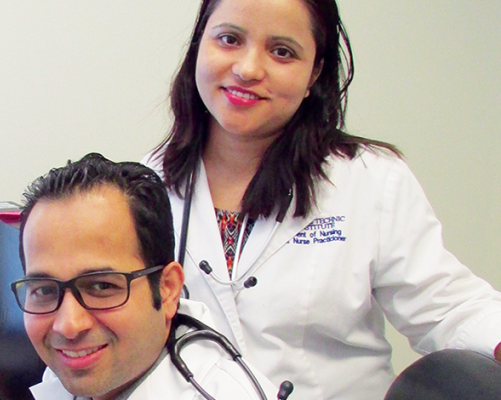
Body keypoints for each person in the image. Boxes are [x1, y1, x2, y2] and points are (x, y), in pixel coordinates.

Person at [142, 0, 501, 399]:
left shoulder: (367, 179)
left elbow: (449, 307)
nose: (248, 69)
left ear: (314, 72)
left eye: (282, 51)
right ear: (198, 47)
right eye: (229, 39)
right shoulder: (143, 190)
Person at [12, 153, 280, 400]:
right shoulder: (79, 369)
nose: (68, 326)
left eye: (101, 286)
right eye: (45, 290)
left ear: (167, 289)